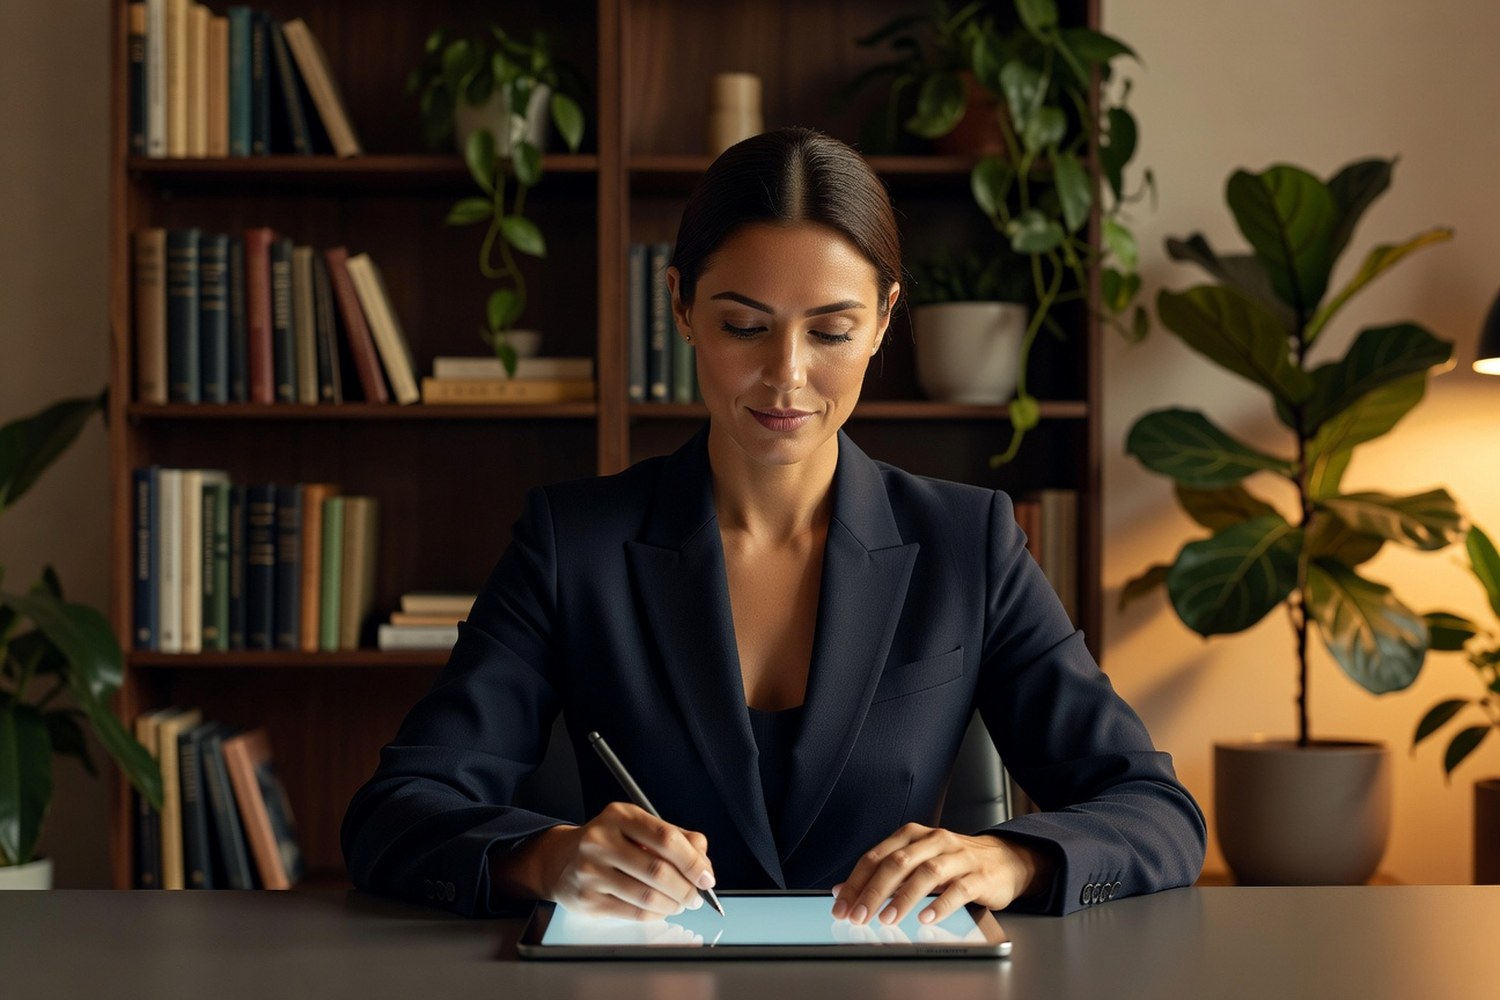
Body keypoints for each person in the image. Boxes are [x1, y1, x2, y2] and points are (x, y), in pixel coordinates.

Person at [342, 126, 1205, 925]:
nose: (786, 375)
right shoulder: (574, 544)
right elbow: (396, 811)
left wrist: (1008, 861)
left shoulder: (968, 541)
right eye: (744, 326)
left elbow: (1156, 811)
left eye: (831, 331)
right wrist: (547, 857)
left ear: (884, 320)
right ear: (681, 305)